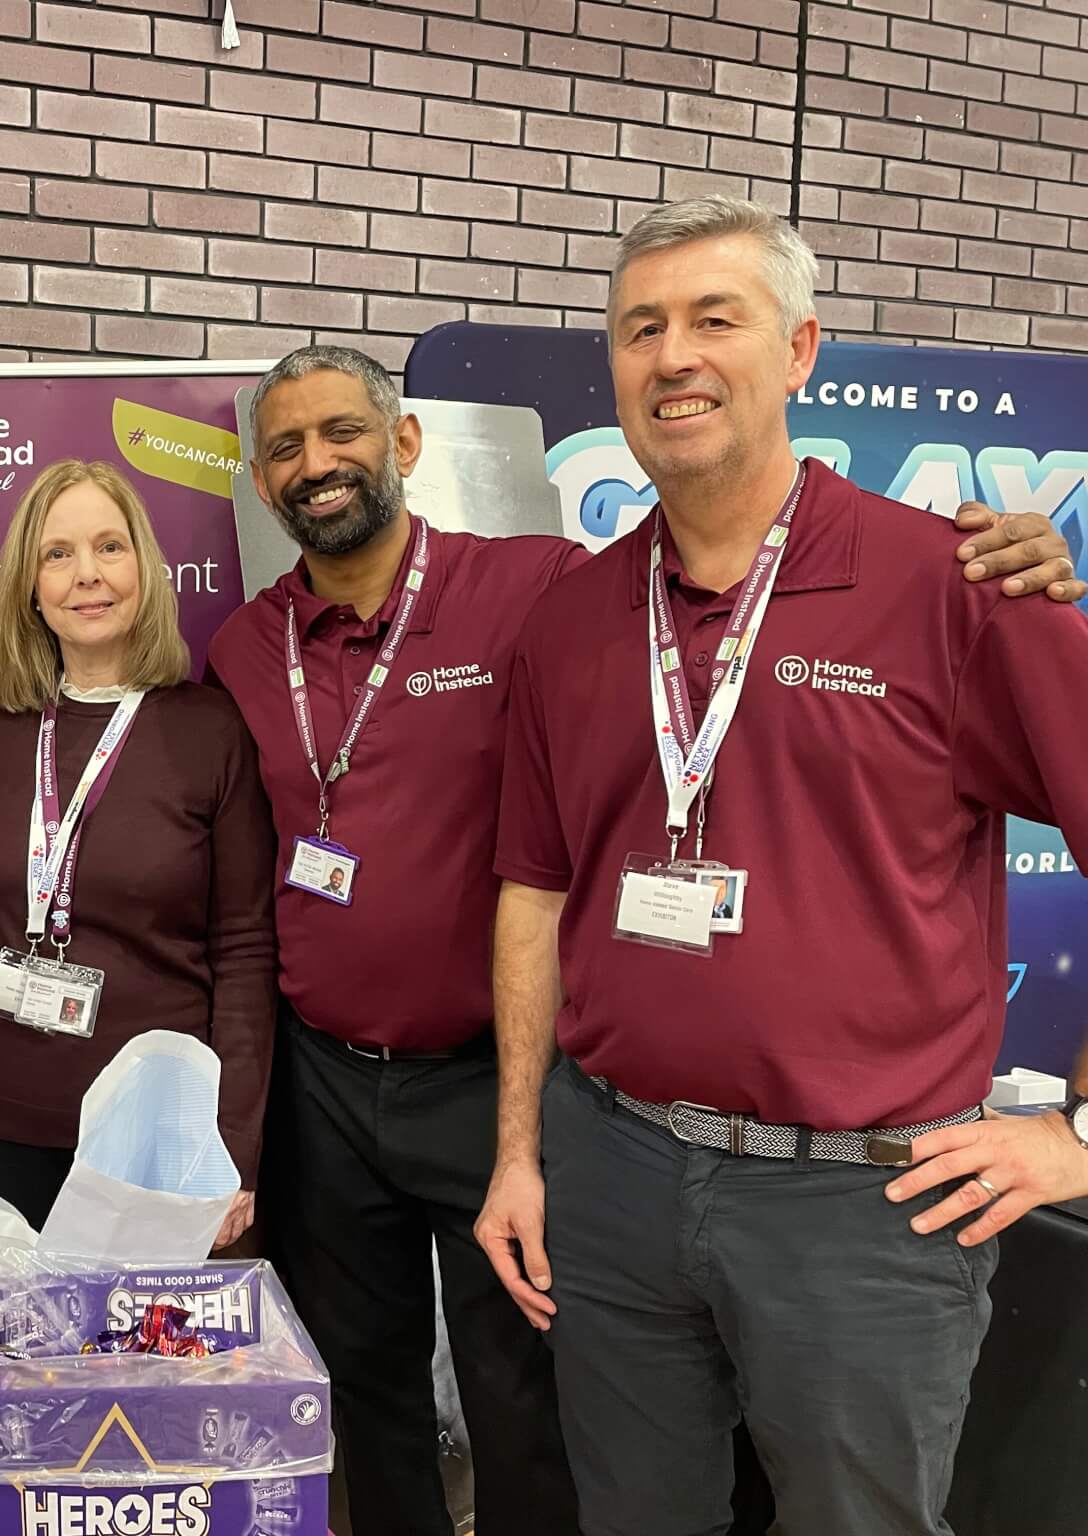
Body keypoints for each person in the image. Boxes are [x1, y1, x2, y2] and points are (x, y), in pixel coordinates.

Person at [203, 342, 1083, 1536]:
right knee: (368, 1383)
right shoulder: (242, 650)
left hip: (496, 1079)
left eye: (343, 433)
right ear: (260, 481)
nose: (319, 464)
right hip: (339, 1083)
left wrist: (1079, 1132)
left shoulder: (538, 588)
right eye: (288, 448)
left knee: (526, 1398)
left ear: (402, 445)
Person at [484, 194, 1088, 1535]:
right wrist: (522, 1150)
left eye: (717, 318)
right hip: (617, 1168)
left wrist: (1079, 1134)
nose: (675, 356)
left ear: (802, 350)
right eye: (642, 329)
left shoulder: (958, 583)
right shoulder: (576, 619)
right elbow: (534, 887)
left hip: (864, 1206)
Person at [0, 461, 277, 1236]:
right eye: (57, 554)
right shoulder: (0, 725)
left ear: (146, 569)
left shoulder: (210, 729)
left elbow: (244, 950)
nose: (86, 575)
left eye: (109, 547)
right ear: (29, 585)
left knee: (141, 1358)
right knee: (17, 1354)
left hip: (157, 1132)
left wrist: (230, 1145)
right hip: (3, 1111)